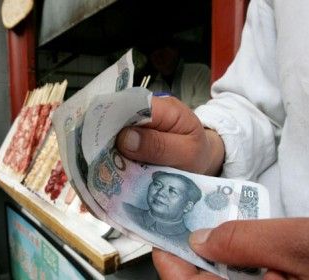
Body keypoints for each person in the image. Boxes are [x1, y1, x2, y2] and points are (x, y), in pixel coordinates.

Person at [116, 1, 309, 279]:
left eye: (163, 50)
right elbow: (258, 105)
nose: (159, 58)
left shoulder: (195, 72)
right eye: (153, 53)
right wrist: (209, 145)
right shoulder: (155, 82)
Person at [123, 171, 201, 242]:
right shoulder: (124, 210)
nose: (160, 192)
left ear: (187, 206)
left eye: (172, 191)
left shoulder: (190, 242)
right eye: (157, 184)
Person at [142, 35, 211, 110]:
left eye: (162, 53)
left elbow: (203, 109)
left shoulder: (199, 72)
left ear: (174, 50)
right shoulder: (152, 88)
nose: (159, 59)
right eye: (154, 56)